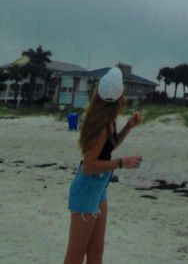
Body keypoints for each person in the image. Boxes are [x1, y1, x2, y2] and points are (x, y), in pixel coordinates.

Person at [63, 67, 142, 264]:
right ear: (121, 94)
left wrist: (128, 127)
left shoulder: (108, 119)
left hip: (98, 188)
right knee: (75, 257)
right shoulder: (99, 123)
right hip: (87, 188)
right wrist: (122, 163)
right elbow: (89, 166)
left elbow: (110, 146)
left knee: (96, 252)